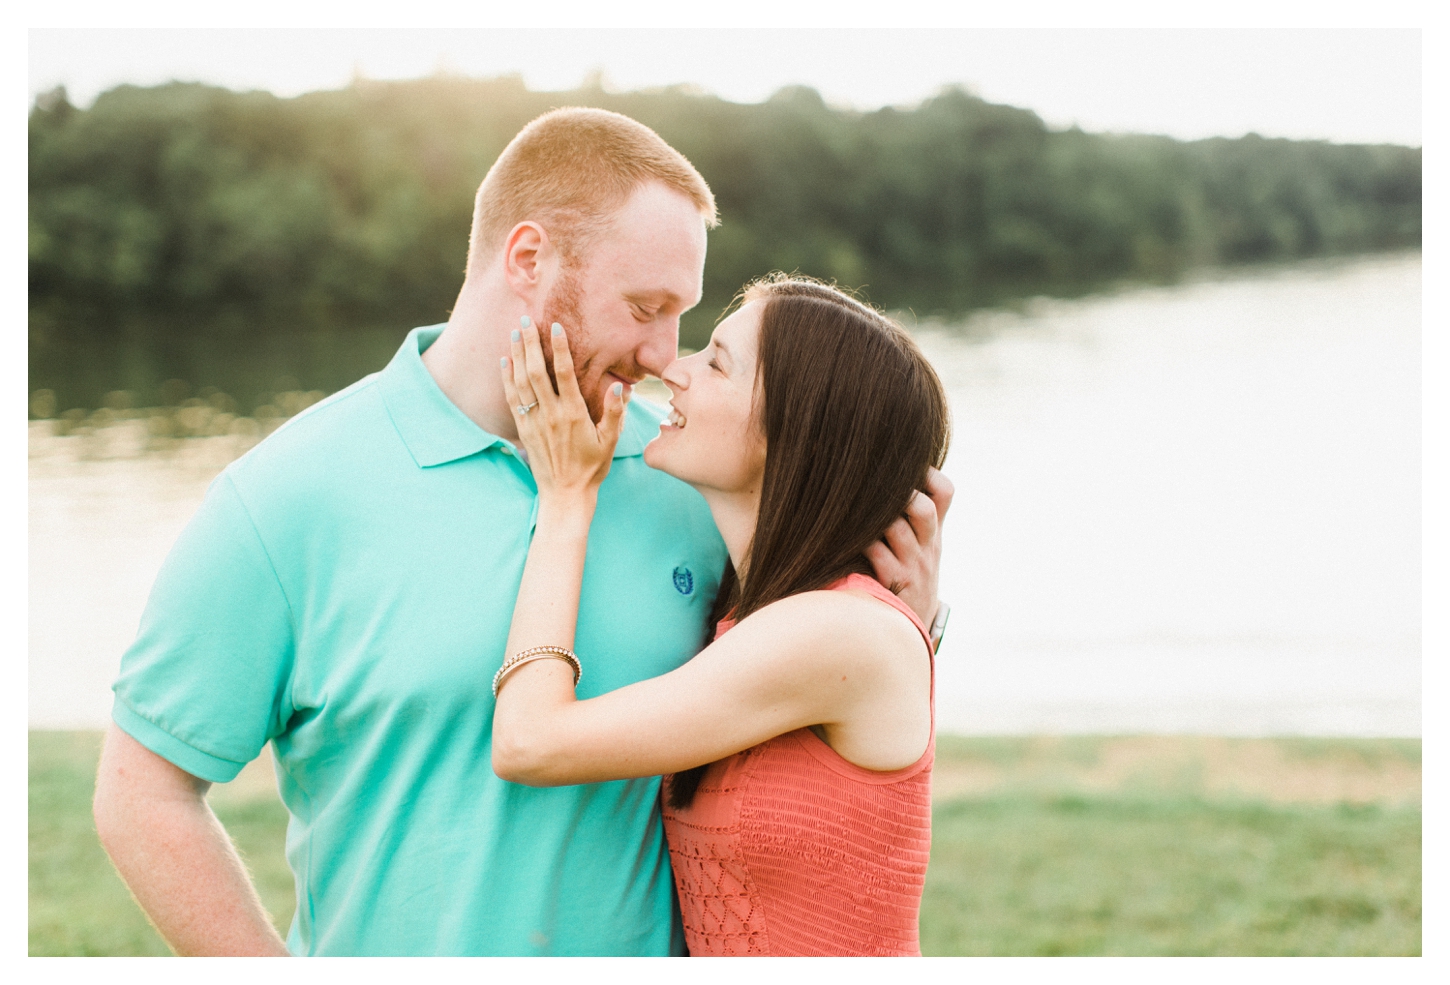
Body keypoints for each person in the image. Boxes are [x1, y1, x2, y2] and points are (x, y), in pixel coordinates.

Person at [91, 107, 952, 956]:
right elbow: (143, 790)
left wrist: (913, 622)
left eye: (684, 316)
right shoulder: (288, 495)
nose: (664, 355)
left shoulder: (689, 475)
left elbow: (811, 699)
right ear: (530, 258)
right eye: (645, 305)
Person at [491, 274, 950, 956]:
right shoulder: (762, 616)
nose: (672, 369)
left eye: (716, 362)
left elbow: (530, 741)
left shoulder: (835, 630)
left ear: (795, 430)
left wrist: (563, 501)